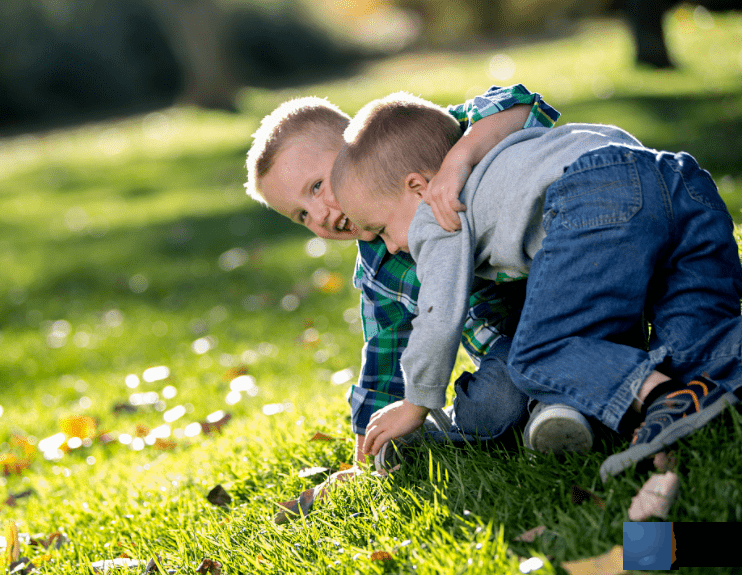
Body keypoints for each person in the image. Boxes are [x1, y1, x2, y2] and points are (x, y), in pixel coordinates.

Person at [331, 92, 742, 479]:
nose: (390, 245)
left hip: (595, 194)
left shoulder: (436, 209)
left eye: (381, 228)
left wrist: (415, 403)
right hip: (679, 179)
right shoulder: (503, 152)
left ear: (416, 186)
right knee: (691, 346)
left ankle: (663, 398)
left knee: (536, 353)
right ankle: (734, 356)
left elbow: (438, 313)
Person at [245, 85, 596, 464]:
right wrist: (366, 453)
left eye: (316, 187)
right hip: (510, 344)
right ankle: (544, 412)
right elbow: (385, 355)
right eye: (301, 216)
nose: (320, 216)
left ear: (353, 146)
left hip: (573, 274)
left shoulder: (422, 143)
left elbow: (523, 105)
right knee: (496, 402)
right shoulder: (379, 272)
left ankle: (565, 401)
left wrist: (457, 162)